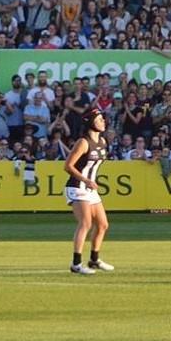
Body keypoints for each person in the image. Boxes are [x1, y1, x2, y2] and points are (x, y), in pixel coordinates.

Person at [64, 108, 114, 275]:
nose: (103, 122)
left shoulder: (103, 142)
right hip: (77, 186)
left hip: (89, 188)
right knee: (85, 223)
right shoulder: (83, 142)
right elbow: (68, 166)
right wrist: (86, 180)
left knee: (103, 225)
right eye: (99, 119)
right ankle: (76, 264)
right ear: (90, 122)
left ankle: (94, 259)